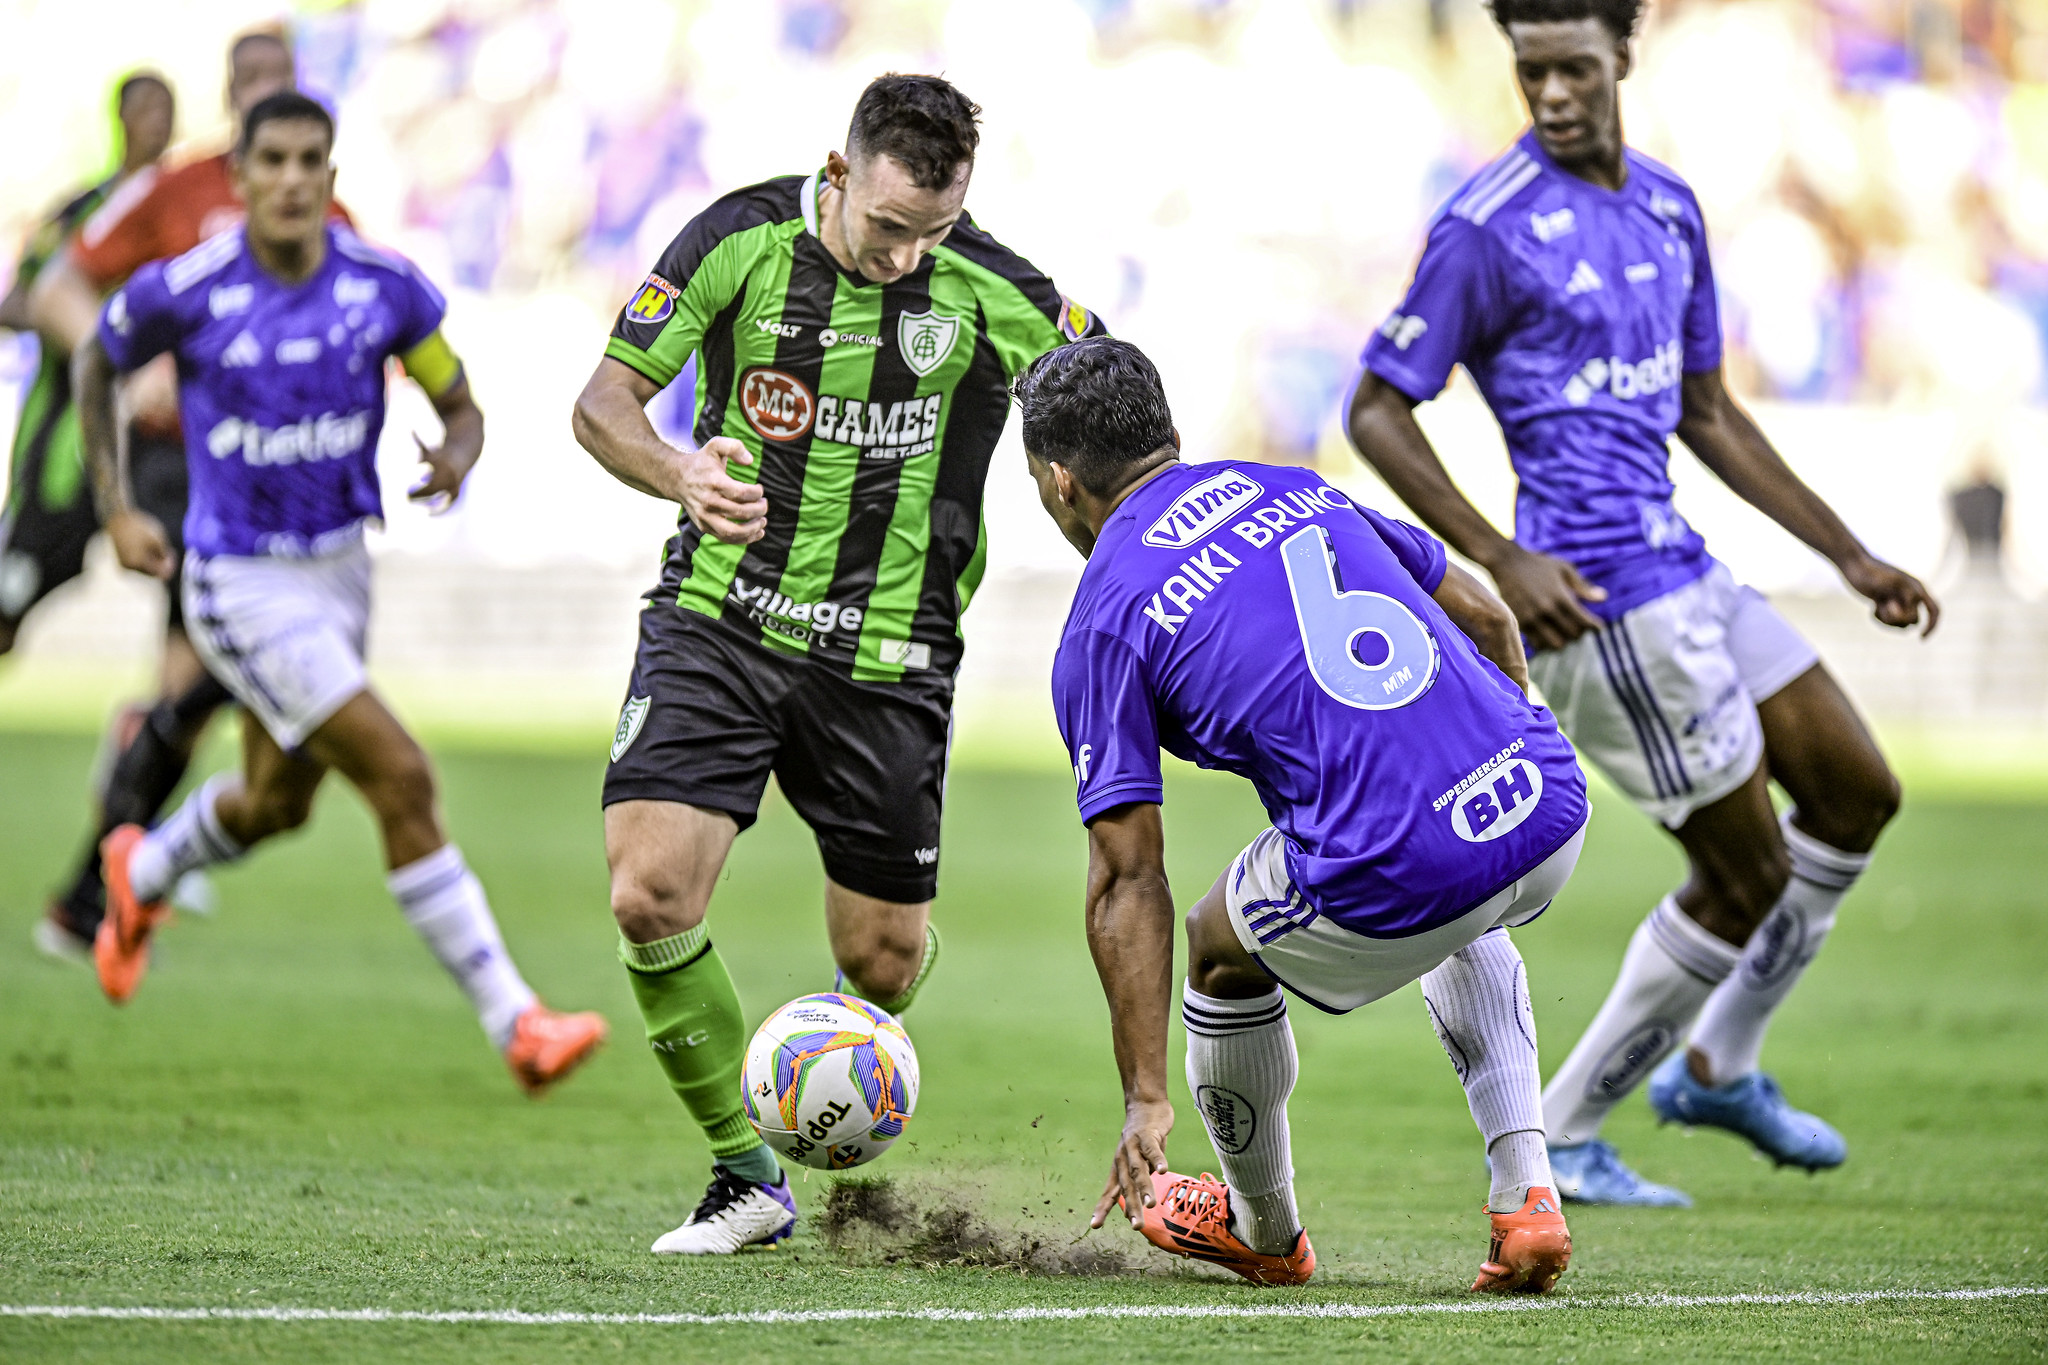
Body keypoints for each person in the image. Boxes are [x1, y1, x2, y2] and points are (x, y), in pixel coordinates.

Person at [1347, 0, 1938, 1207]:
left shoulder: (1668, 206)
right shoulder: (1484, 229)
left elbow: (1706, 412)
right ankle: (1564, 1132)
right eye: (1529, 73)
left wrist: (1848, 556)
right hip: (1597, 605)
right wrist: (1497, 557)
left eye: (1571, 68)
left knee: (1854, 793)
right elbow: (1373, 409)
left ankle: (1718, 1062)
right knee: (1744, 877)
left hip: (1686, 565)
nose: (1551, 93)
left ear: (1623, 55)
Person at [571, 73, 1106, 1255]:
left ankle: (864, 1019)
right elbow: (602, 406)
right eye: (887, 227)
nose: (908, 258)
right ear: (837, 174)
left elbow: (1113, 417)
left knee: (883, 957)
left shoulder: (996, 292)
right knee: (647, 890)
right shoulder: (737, 244)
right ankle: (741, 1173)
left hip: (891, 660)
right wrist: (680, 475)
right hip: (722, 618)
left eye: (936, 231)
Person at [1021, 338, 1589, 1292]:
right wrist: (1504, 738)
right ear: (1167, 433)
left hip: (1411, 861)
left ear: (1060, 480)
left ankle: (1264, 1230)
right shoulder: (1300, 487)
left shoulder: (1105, 617)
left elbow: (1127, 875)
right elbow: (1489, 617)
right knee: (1467, 896)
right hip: (1547, 801)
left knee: (1215, 943)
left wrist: (1145, 1096)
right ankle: (1526, 1198)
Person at [77, 91, 607, 1094]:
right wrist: (113, 504)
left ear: (331, 176)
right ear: (238, 177)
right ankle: (517, 1022)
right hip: (238, 579)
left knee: (278, 804)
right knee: (400, 776)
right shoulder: (185, 289)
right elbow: (91, 360)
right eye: (269, 160)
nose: (288, 179)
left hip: (339, 573)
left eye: (308, 160)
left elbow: (458, 400)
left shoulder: (385, 290)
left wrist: (455, 453)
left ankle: (138, 871)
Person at [28, 31, 336, 962]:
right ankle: (110, 881)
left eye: (281, 83)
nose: (267, 100)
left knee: (203, 683)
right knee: (209, 675)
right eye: (250, 87)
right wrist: (133, 366)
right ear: (231, 101)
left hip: (269, 485)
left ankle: (108, 880)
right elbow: (57, 289)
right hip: (174, 468)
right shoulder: (175, 189)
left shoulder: (332, 211)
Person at [2, 72, 174, 663]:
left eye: (167, 108)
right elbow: (17, 301)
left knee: (190, 604)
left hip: (163, 440)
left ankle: (156, 733)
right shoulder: (81, 211)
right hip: (64, 442)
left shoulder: (183, 210)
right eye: (147, 107)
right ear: (120, 119)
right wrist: (89, 325)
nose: (159, 120)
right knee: (11, 593)